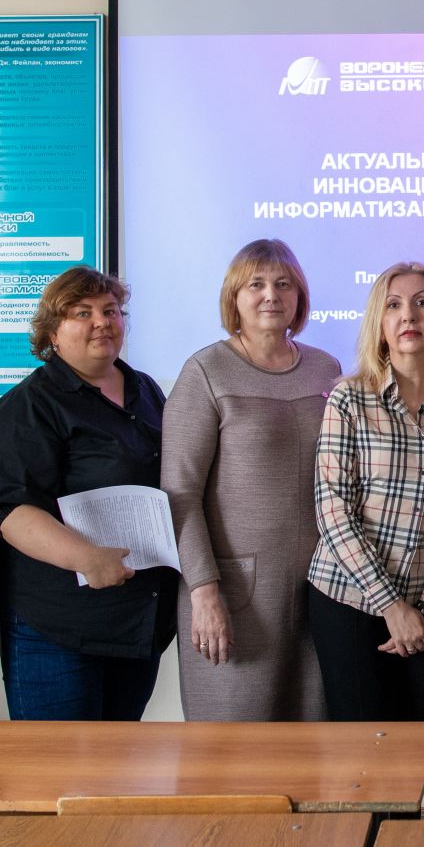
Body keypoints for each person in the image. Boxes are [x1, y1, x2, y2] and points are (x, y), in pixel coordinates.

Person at [0, 267, 175, 720]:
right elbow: (7, 509)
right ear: (52, 333)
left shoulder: (145, 389)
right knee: (59, 762)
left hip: (136, 623)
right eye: (82, 313)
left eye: (111, 311)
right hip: (58, 631)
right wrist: (85, 557)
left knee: (118, 760)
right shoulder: (29, 406)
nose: (102, 322)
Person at [163, 240, 340, 721]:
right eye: (255, 284)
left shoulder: (326, 369)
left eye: (283, 284)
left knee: (312, 742)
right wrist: (203, 592)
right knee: (233, 749)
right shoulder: (205, 371)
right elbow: (180, 495)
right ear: (234, 297)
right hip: (233, 595)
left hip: (319, 592)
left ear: (299, 296)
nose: (271, 295)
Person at [309, 261, 424, 722]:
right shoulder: (348, 399)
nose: (409, 315)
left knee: (411, 744)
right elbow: (333, 511)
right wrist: (392, 607)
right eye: (394, 305)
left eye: (422, 303)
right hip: (349, 600)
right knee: (361, 751)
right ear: (380, 324)